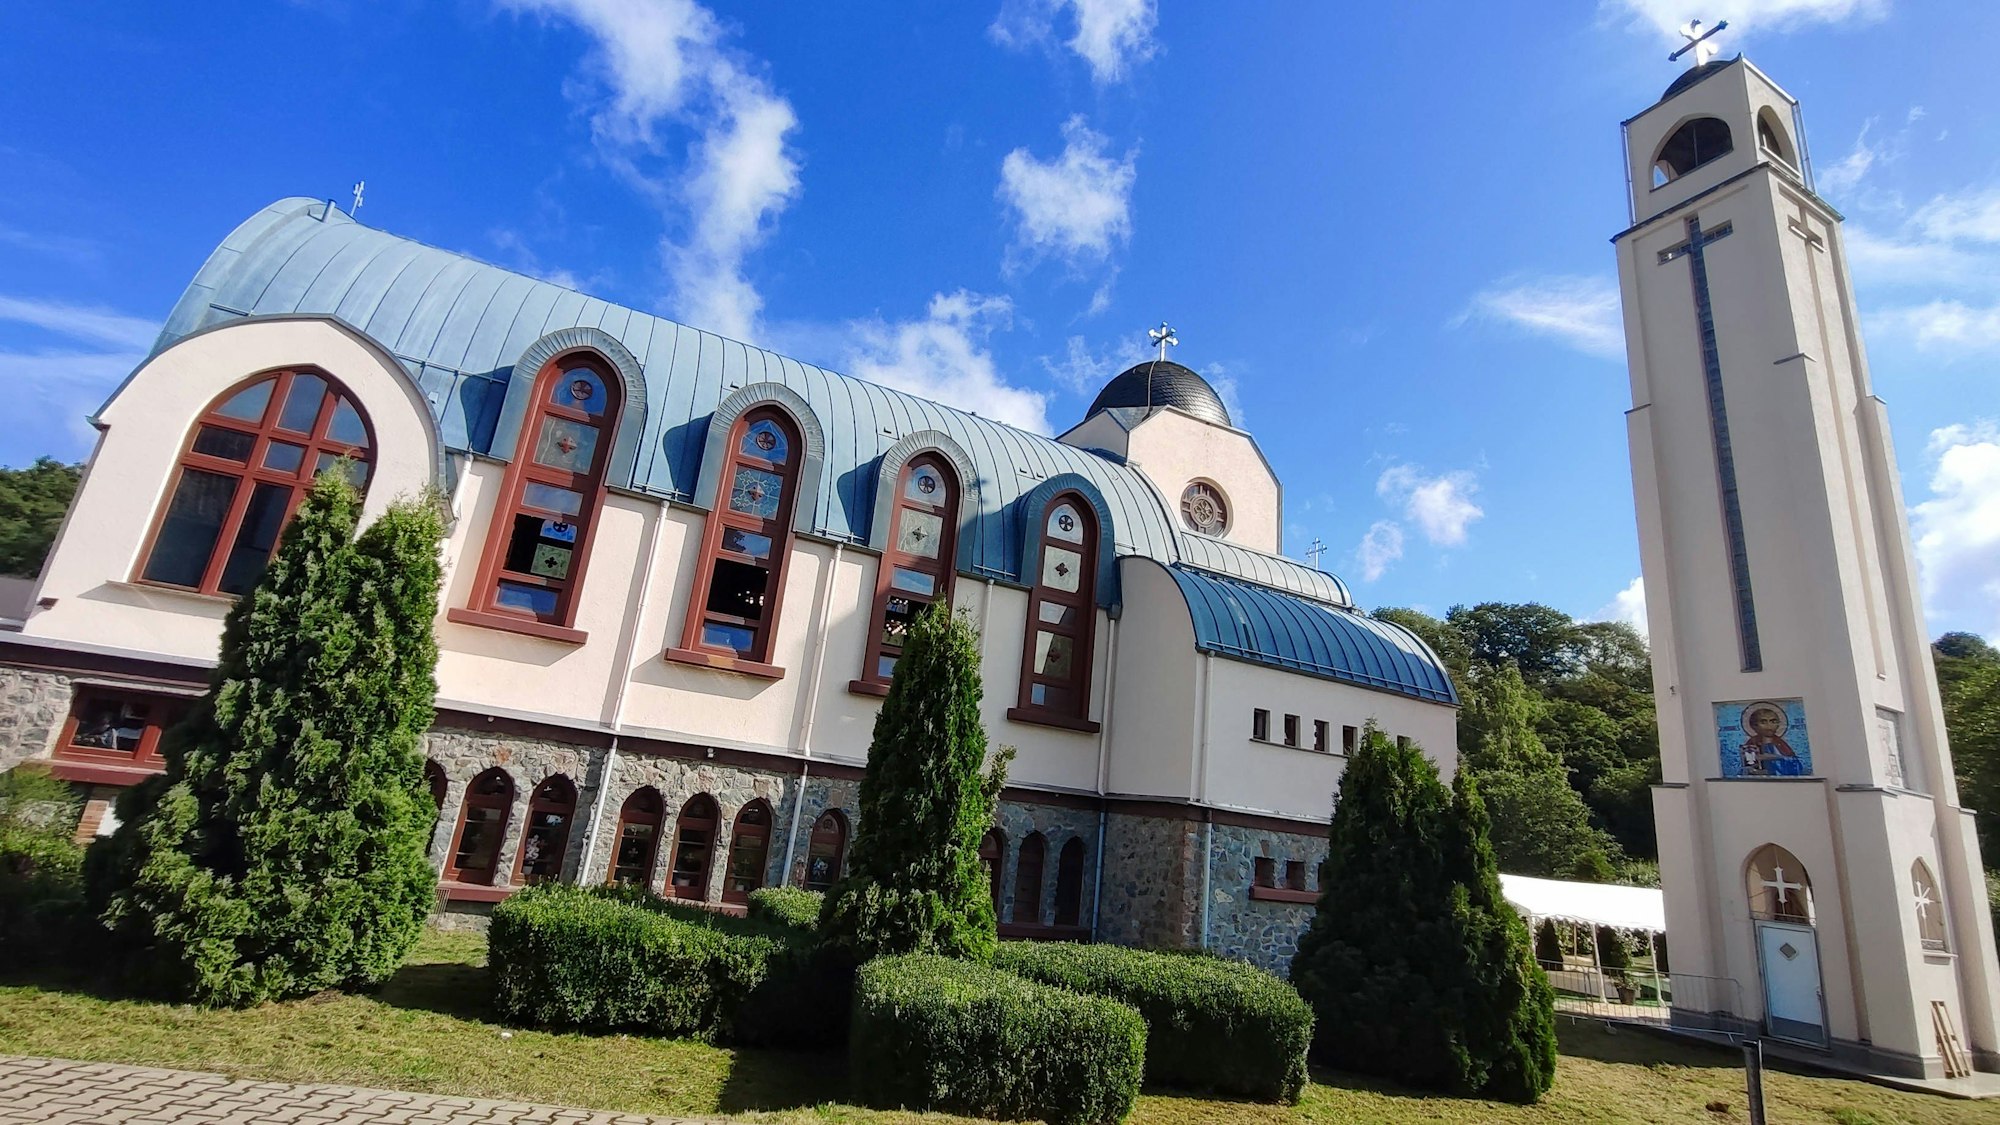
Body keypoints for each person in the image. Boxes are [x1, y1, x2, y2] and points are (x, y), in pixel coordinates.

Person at [1740, 704, 1805, 776]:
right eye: (1763, 722)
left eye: (1773, 721)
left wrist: (1775, 757)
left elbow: (1796, 765)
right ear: (1754, 725)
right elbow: (1747, 768)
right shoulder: (1751, 744)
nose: (1769, 725)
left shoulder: (1780, 743)